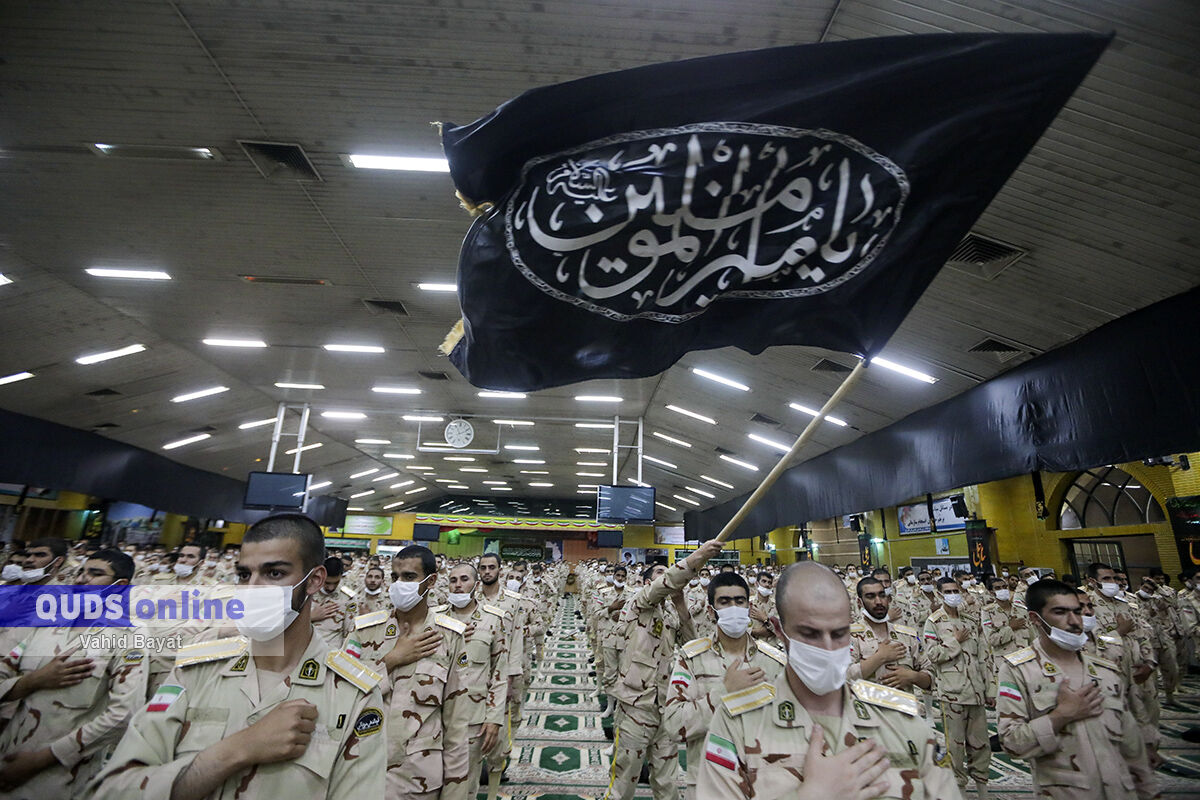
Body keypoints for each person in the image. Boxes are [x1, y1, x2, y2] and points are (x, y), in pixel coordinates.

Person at [91, 514, 385, 800]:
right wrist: (236, 750)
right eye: (244, 575)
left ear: (314, 580)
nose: (252, 588)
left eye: (274, 573)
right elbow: (114, 789)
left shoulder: (353, 695)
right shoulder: (194, 672)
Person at [694, 561, 960, 800]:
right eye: (809, 633)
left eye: (839, 633)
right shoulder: (738, 723)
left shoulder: (900, 719)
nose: (827, 647)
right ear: (781, 632)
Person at [0, 549, 146, 797]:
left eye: (95, 574)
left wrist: (39, 760)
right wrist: (34, 680)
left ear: (120, 586)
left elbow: (123, 713)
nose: (81, 579)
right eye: (80, 572)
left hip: (61, 775)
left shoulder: (129, 634)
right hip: (7, 754)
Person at [997, 579, 1157, 799]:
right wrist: (1061, 716)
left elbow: (1132, 746)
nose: (1074, 621)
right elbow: (1011, 742)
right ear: (1035, 618)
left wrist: (1149, 792)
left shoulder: (1105, 669)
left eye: (1077, 611)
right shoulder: (1019, 670)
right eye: (1060, 612)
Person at [605, 540, 721, 800]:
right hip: (636, 706)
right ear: (648, 583)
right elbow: (667, 582)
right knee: (624, 782)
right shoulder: (637, 603)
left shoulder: (670, 614)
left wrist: (680, 604)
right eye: (660, 573)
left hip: (665, 707)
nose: (666, 576)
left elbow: (691, 645)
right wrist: (698, 556)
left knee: (667, 783)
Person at [665, 571, 785, 800]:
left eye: (739, 601)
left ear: (748, 607)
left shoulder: (773, 661)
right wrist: (724, 692)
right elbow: (673, 725)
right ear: (711, 611)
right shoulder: (692, 658)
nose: (733, 608)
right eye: (725, 602)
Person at [438, 563, 506, 800]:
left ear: (476, 585)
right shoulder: (434, 618)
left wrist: (494, 718)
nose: (458, 585)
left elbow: (499, 672)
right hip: (434, 716)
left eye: (464, 579)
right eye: (453, 580)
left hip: (472, 717)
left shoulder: (492, 619)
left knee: (465, 786)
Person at [924, 577, 992, 798]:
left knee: (981, 744)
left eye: (956, 591)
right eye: (948, 591)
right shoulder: (934, 622)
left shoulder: (970, 621)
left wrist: (989, 689)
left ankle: (983, 790)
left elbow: (983, 657)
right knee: (955, 746)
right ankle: (959, 790)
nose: (953, 595)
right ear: (940, 594)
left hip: (976, 691)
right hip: (952, 693)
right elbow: (932, 655)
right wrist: (954, 641)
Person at [849, 576, 931, 693]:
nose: (878, 601)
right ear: (859, 602)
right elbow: (841, 678)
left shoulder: (907, 635)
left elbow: (930, 677)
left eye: (882, 595)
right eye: (870, 597)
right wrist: (880, 657)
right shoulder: (850, 635)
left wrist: (913, 676)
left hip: (904, 703)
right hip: (869, 704)